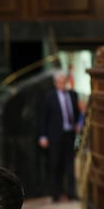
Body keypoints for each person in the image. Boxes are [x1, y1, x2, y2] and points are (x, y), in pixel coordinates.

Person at [38, 70, 80, 202]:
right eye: (60, 82)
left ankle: (72, 193)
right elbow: (44, 118)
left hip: (69, 135)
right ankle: (56, 193)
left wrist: (79, 124)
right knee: (55, 164)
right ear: (56, 83)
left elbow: (77, 114)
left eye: (64, 81)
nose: (62, 84)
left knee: (70, 165)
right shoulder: (49, 97)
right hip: (54, 136)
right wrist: (43, 136)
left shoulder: (73, 95)